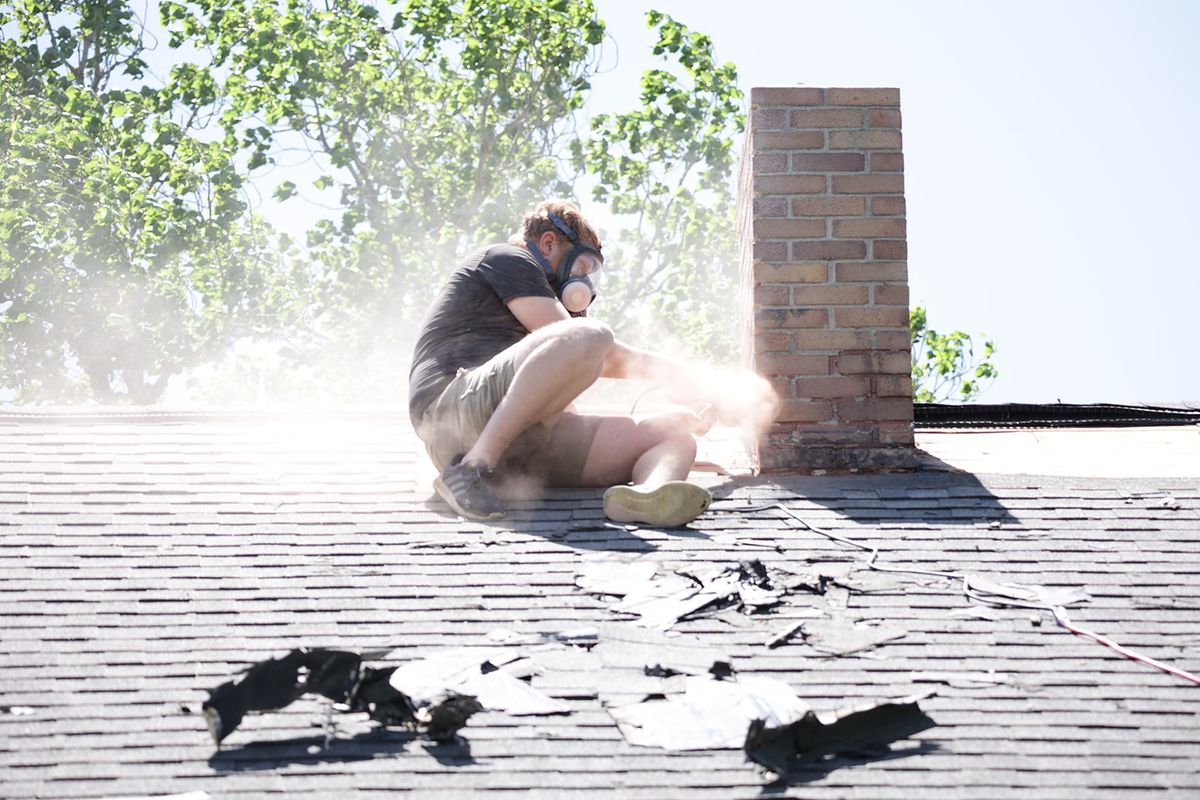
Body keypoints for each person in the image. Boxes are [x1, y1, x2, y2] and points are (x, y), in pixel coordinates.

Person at [408, 198, 771, 526]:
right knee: (591, 334)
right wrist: (695, 381)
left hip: (518, 450)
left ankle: (649, 494)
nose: (583, 281)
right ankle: (470, 470)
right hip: (452, 414)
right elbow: (596, 349)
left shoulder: (543, 333)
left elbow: (548, 387)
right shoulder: (507, 258)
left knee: (673, 435)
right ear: (548, 243)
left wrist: (638, 447)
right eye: (582, 264)